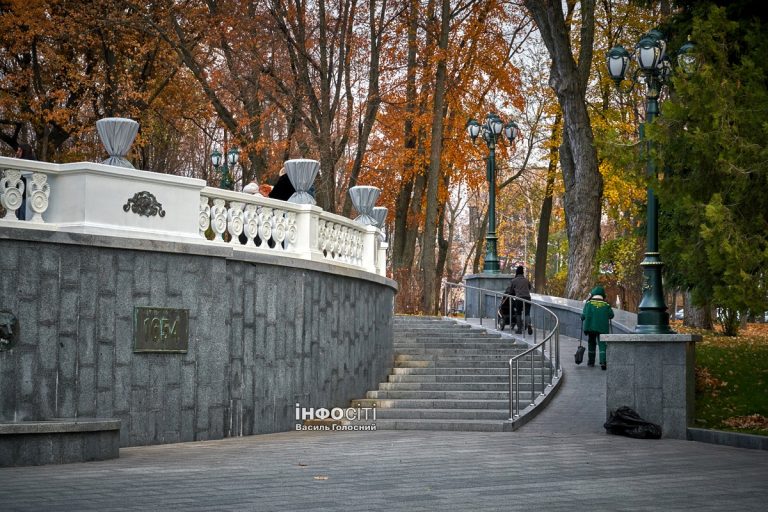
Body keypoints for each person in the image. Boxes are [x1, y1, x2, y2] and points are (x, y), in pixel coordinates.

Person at [581, 285, 615, 370]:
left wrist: (583, 317)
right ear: (602, 295)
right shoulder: (606, 305)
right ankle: (603, 362)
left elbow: (583, 316)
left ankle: (591, 362)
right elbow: (611, 315)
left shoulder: (588, 304)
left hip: (591, 328)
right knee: (602, 345)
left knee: (591, 343)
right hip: (602, 328)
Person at [13, 143, 36, 220]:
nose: (17, 152)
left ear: (24, 151)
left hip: (26, 195)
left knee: (23, 217)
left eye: (19, 150)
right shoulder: (22, 162)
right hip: (22, 195)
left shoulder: (29, 162)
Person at [508, 265, 533, 335]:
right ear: (522, 272)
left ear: (517, 272)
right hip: (527, 298)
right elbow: (529, 288)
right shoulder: (526, 280)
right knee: (527, 313)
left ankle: (519, 329)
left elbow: (511, 291)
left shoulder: (514, 281)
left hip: (519, 299)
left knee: (518, 313)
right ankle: (529, 324)